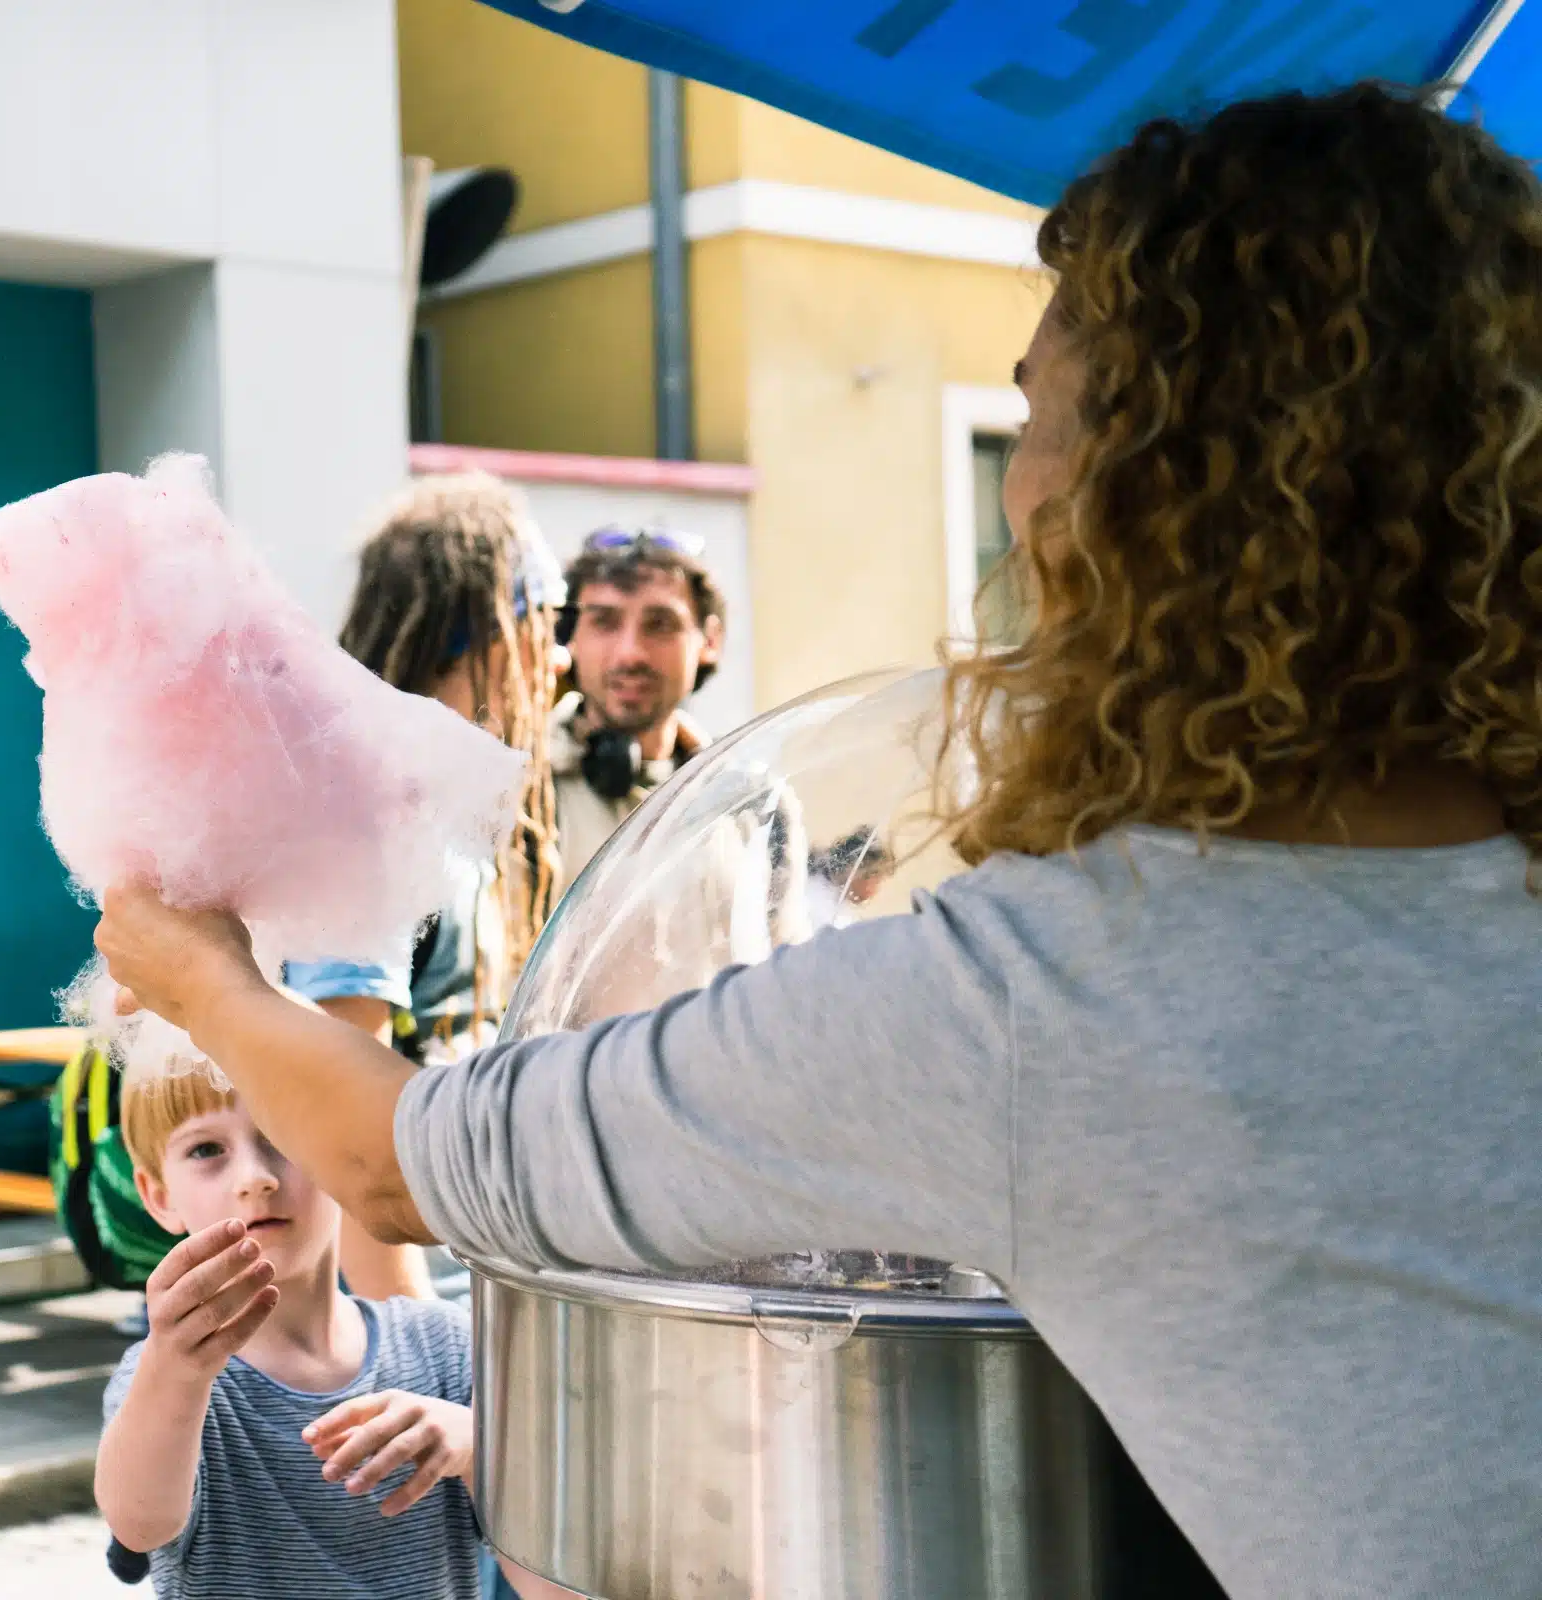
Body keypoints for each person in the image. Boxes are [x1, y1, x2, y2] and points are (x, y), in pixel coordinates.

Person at [93, 84, 1542, 1600]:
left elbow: (409, 1171)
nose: (1023, 488)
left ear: (1155, 501)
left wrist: (195, 976)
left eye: (1038, 418)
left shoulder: (1055, 1001)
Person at [95, 1063, 569, 1599]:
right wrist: (173, 1367)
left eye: (284, 1133)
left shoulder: (445, 1347)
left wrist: (477, 1448)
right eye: (206, 1150)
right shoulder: (161, 1378)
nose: (255, 1177)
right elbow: (139, 1525)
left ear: (344, 1157)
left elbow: (558, 1587)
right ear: (158, 1195)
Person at [283, 472, 565, 1302]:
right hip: (403, 1304)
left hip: (465, 1273)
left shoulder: (444, 809)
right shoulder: (373, 818)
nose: (556, 656)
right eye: (540, 626)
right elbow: (346, 1113)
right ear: (475, 637)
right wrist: (410, 1334)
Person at [551, 526, 728, 882]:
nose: (630, 652)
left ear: (710, 641)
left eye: (660, 625)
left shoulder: (751, 802)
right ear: (568, 636)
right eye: (604, 622)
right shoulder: (515, 789)